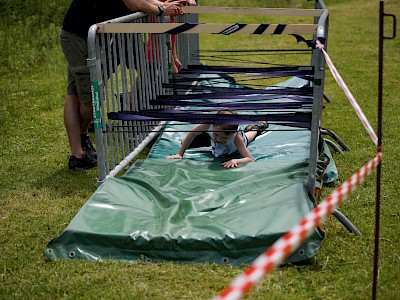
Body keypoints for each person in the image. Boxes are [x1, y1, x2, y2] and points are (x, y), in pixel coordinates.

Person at [61, 0, 187, 169]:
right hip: (77, 36)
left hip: (93, 37)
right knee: (88, 97)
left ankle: (80, 147)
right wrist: (161, 9)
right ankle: (79, 150)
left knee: (81, 94)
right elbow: (135, 4)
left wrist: (167, 4)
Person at [166, 109, 269, 168]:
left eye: (223, 137)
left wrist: (235, 161)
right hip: (211, 140)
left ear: (231, 133)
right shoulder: (209, 125)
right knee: (185, 142)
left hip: (234, 145)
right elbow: (192, 133)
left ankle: (256, 127)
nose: (219, 139)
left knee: (248, 136)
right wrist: (180, 154)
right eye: (216, 134)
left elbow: (249, 158)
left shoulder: (236, 137)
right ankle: (208, 138)